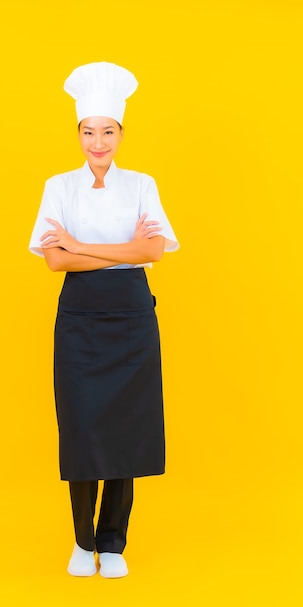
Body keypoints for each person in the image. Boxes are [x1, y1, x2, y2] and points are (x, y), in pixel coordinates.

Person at [29, 61, 179, 578]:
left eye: (108, 131)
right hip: (80, 319)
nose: (99, 142)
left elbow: (155, 250)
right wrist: (124, 249)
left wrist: (81, 245)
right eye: (89, 132)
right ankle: (82, 541)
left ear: (121, 133)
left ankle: (113, 544)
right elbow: (55, 261)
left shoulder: (141, 184)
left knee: (125, 429)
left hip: (133, 318)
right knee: (83, 428)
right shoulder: (58, 187)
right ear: (78, 134)